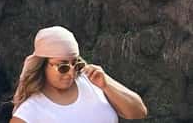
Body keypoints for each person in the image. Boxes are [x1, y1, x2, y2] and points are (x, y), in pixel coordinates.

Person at [10, 25, 148, 122]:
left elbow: (139, 112)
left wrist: (106, 84)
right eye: (63, 67)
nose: (71, 73)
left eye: (76, 64)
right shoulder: (30, 111)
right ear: (42, 65)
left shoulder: (92, 81)